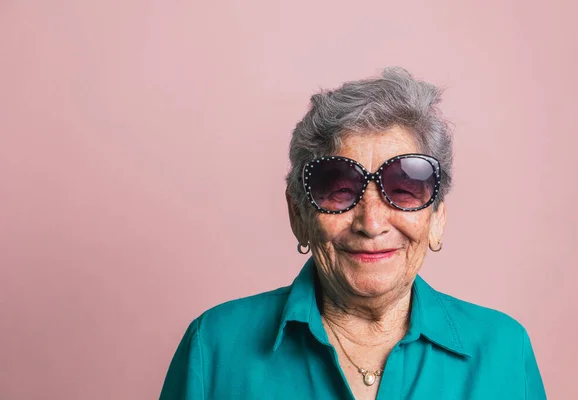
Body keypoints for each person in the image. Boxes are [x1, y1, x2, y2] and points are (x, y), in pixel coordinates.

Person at [159, 68, 546, 399]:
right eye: (340, 189)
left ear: (438, 216)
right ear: (299, 215)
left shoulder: (504, 352)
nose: (372, 223)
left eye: (404, 189)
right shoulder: (214, 347)